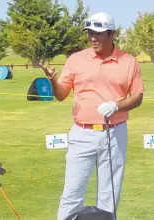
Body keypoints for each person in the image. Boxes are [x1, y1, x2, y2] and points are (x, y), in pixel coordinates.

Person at [41, 12, 144, 220]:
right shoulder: (76, 59)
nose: (92, 38)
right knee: (72, 192)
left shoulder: (129, 61)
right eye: (89, 33)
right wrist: (53, 80)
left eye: (98, 33)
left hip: (115, 133)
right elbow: (61, 95)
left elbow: (138, 96)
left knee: (109, 194)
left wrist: (117, 105)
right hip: (82, 133)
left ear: (112, 33)